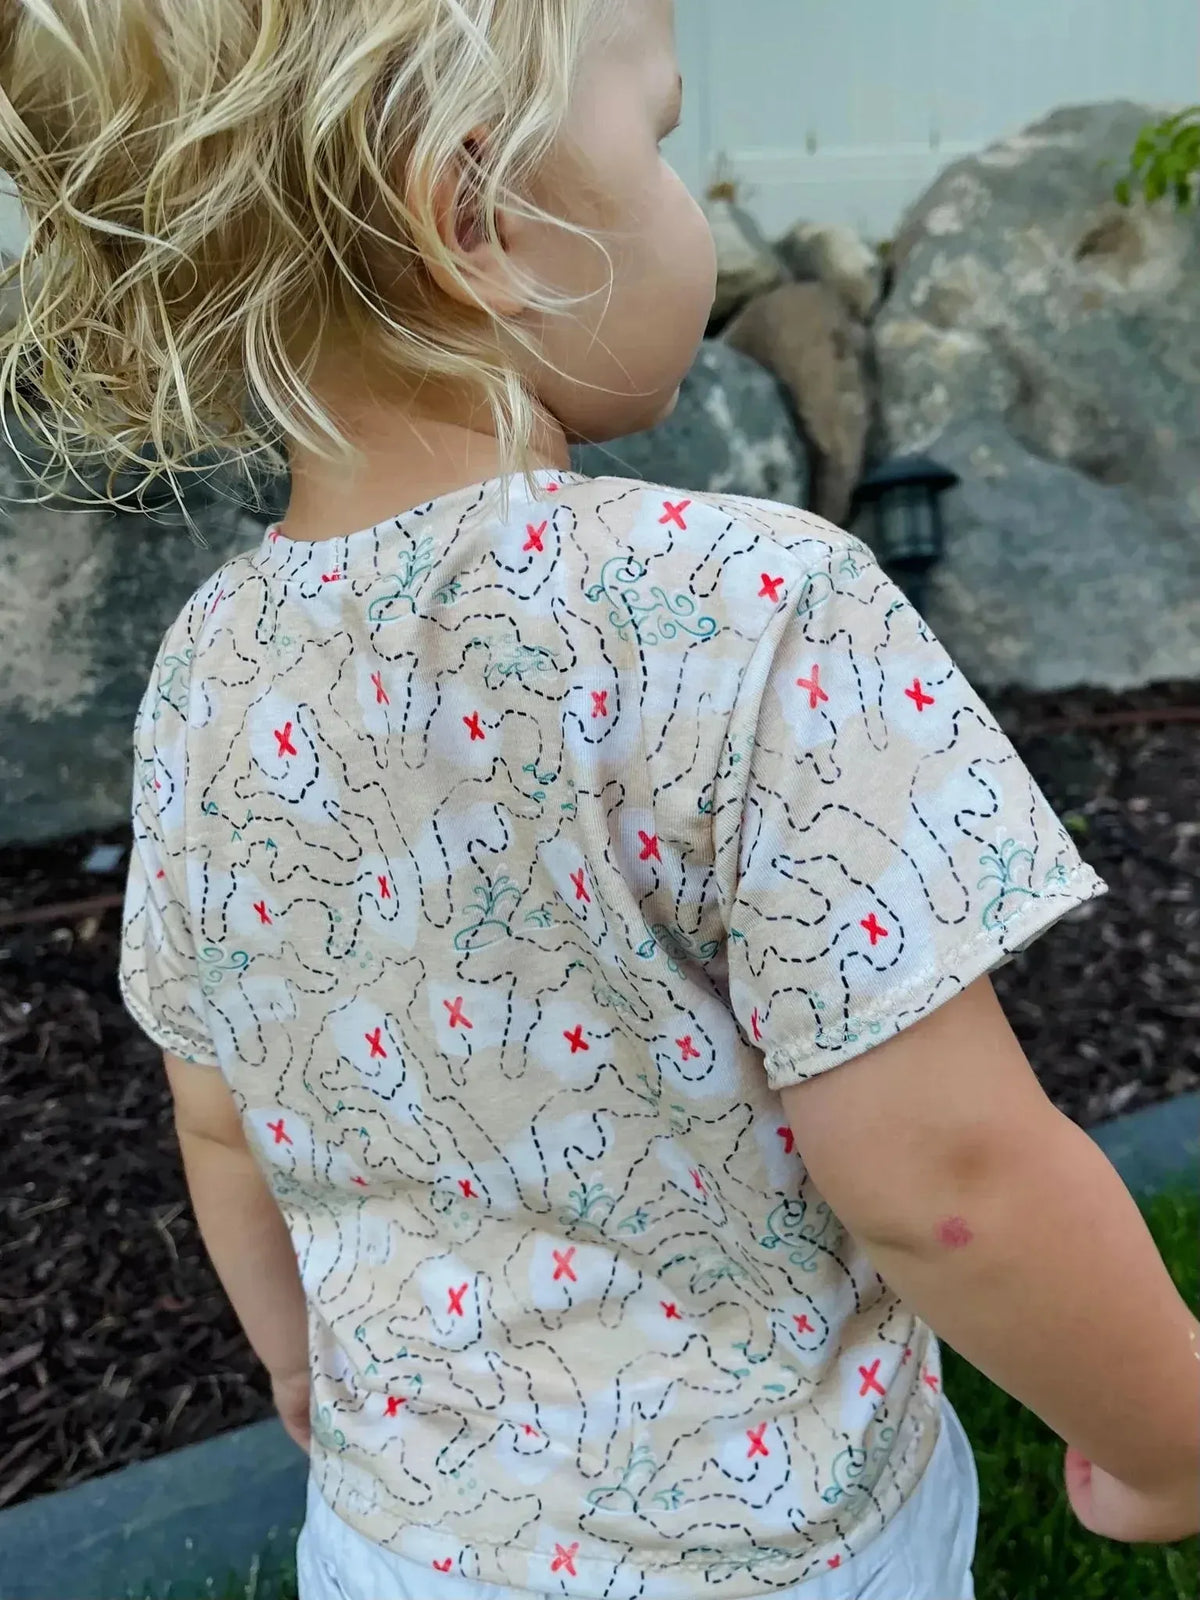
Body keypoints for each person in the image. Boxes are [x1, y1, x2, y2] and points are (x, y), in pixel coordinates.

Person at [2, 3, 1196, 1597]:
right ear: (479, 217)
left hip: (393, 1543)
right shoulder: (749, 610)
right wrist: (1166, 1438)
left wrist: (301, 1366)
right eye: (663, 135)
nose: (690, 198)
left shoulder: (205, 669)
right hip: (766, 1554)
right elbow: (953, 1187)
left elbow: (218, 1114)